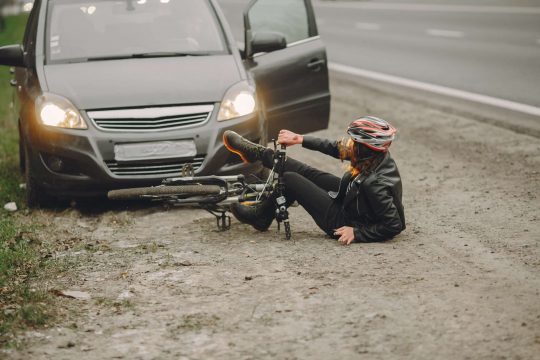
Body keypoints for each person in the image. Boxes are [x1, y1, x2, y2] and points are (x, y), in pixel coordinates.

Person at [223, 116, 405, 245]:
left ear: (367, 147)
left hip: (342, 220)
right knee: (306, 171)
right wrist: (300, 139)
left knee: (291, 179)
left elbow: (394, 224)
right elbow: (336, 147)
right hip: (353, 198)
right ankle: (259, 154)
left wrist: (357, 233)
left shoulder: (375, 183)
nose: (351, 145)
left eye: (355, 142)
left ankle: (260, 216)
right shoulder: (373, 156)